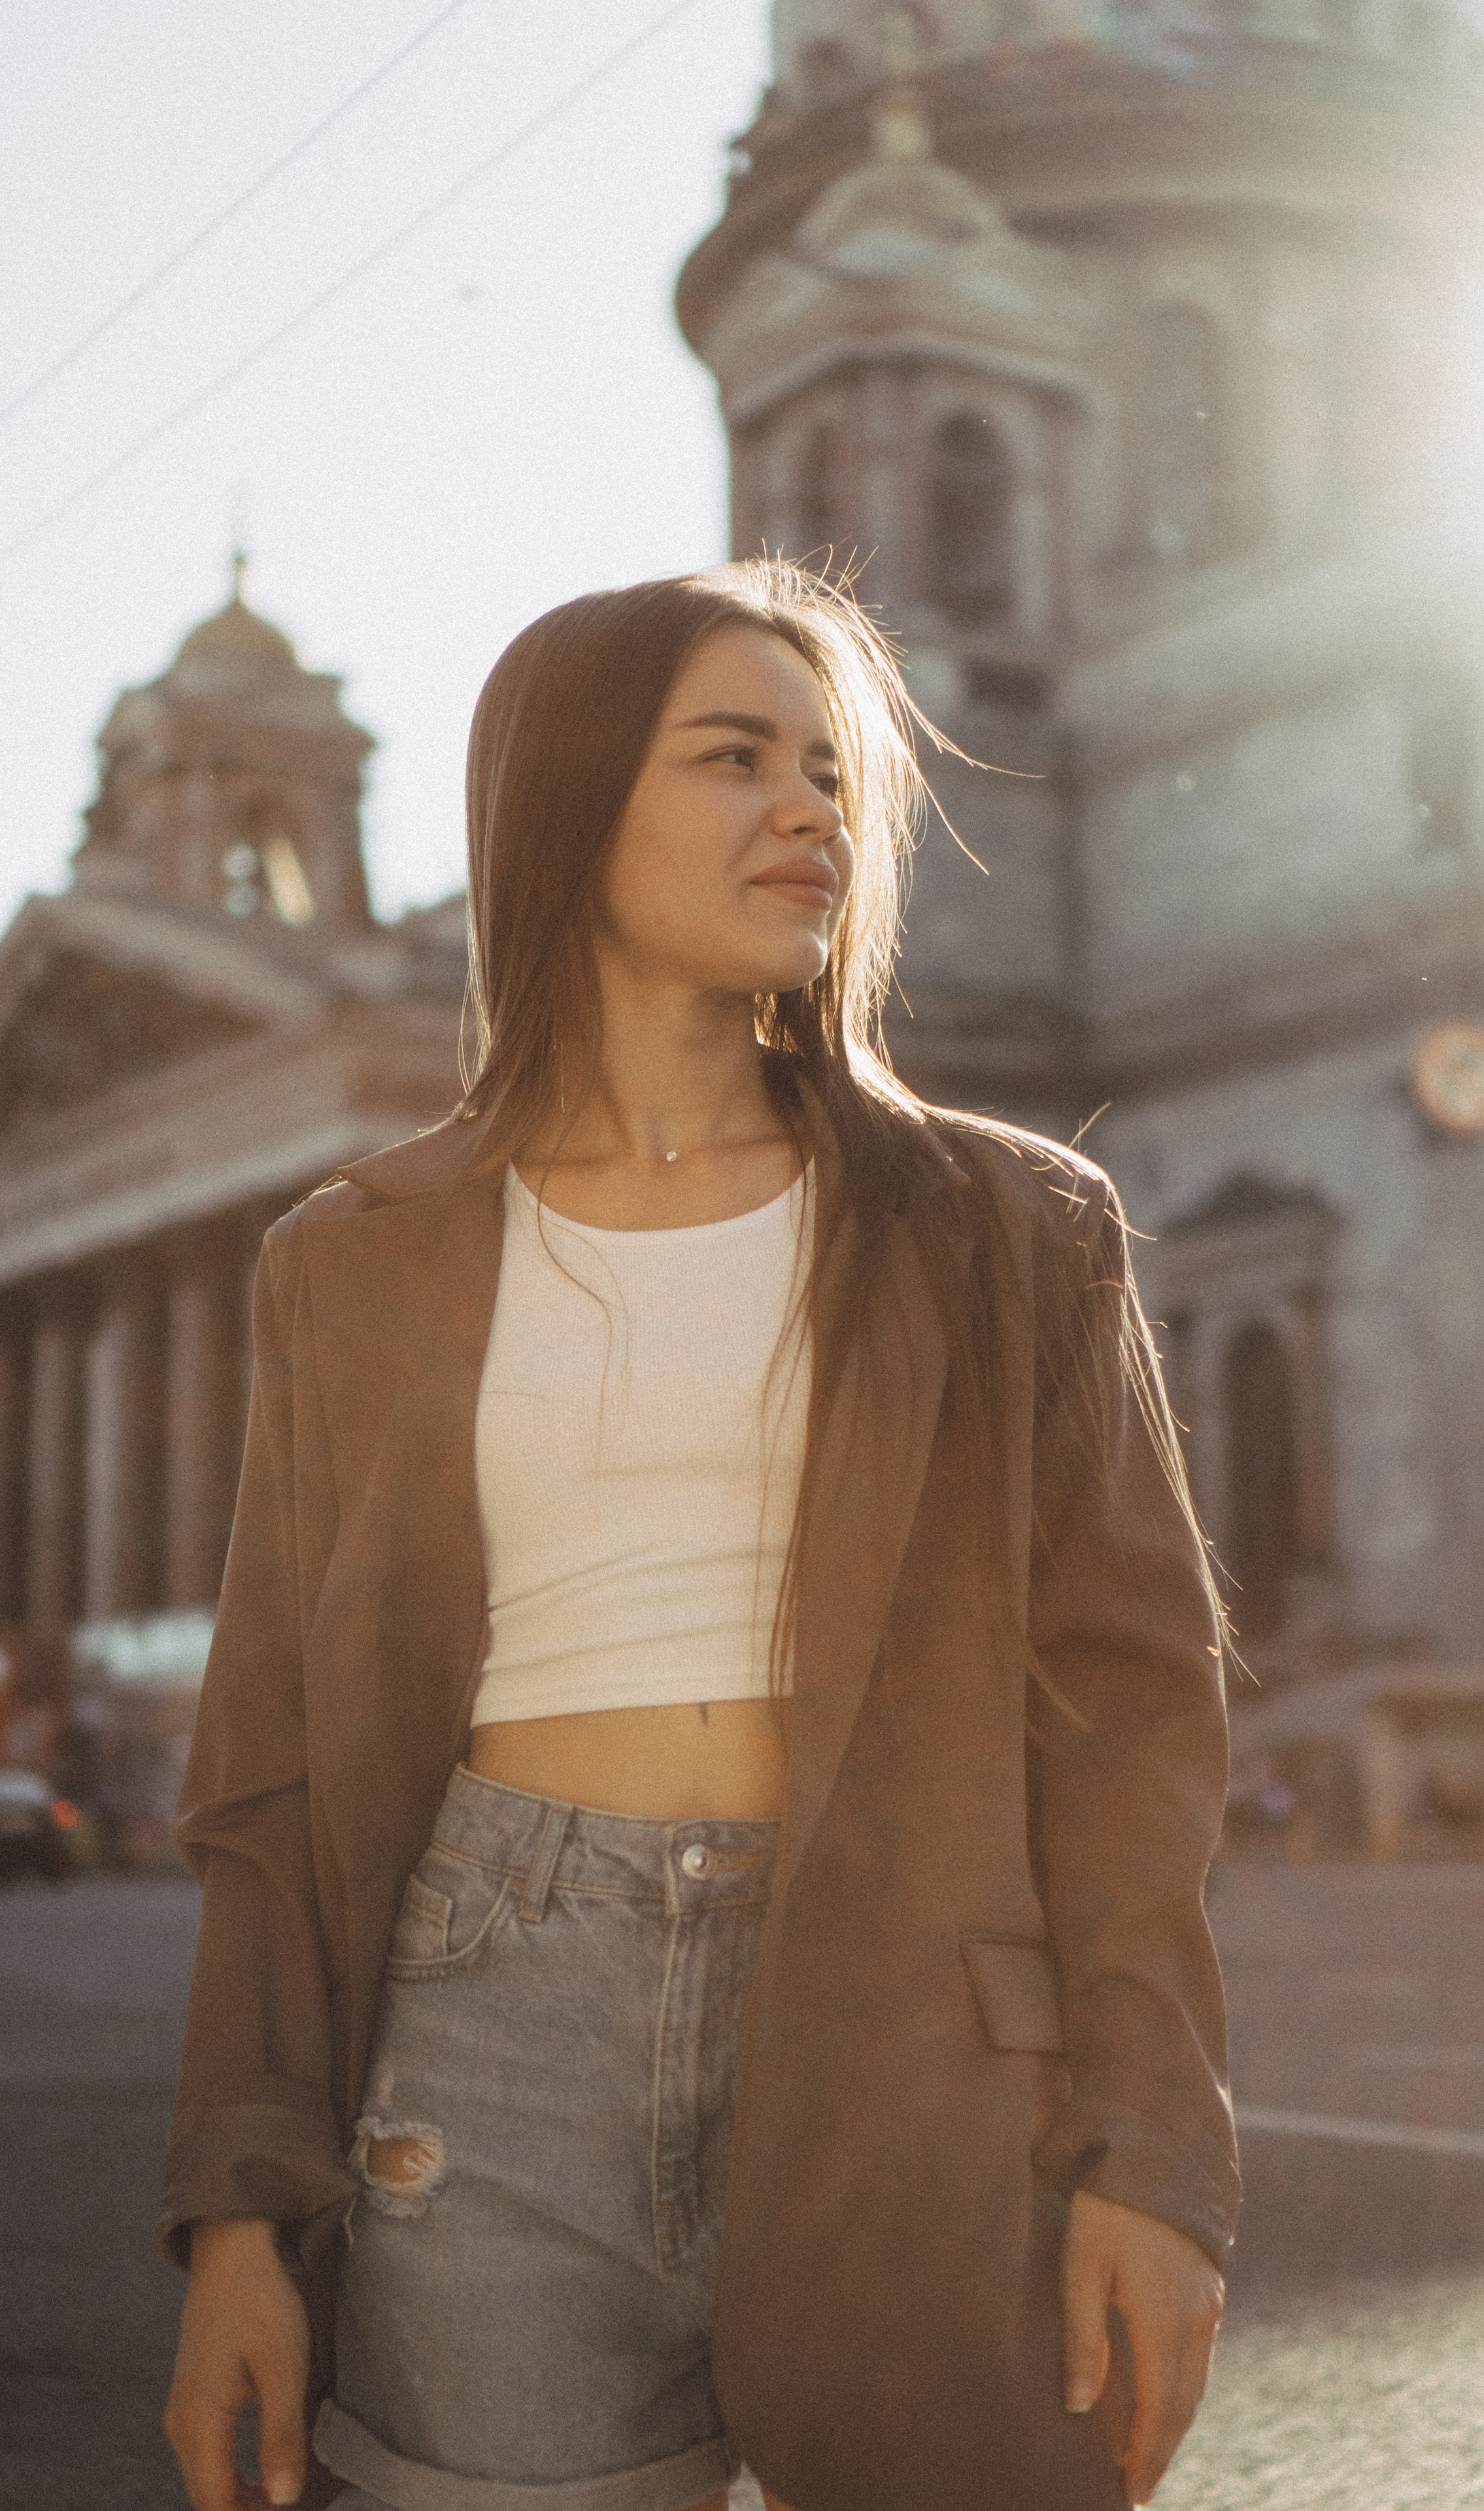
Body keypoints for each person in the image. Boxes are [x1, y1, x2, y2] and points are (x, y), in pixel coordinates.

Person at [161, 562, 1238, 2511]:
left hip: (918, 2037)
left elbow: (1135, 1736)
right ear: (569, 804)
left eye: (830, 772)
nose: (813, 811)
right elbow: (273, 1775)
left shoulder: (1015, 1230)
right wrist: (242, 2213)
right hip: (489, 2038)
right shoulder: (348, 1264)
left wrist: (1157, 2159)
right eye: (734, 759)